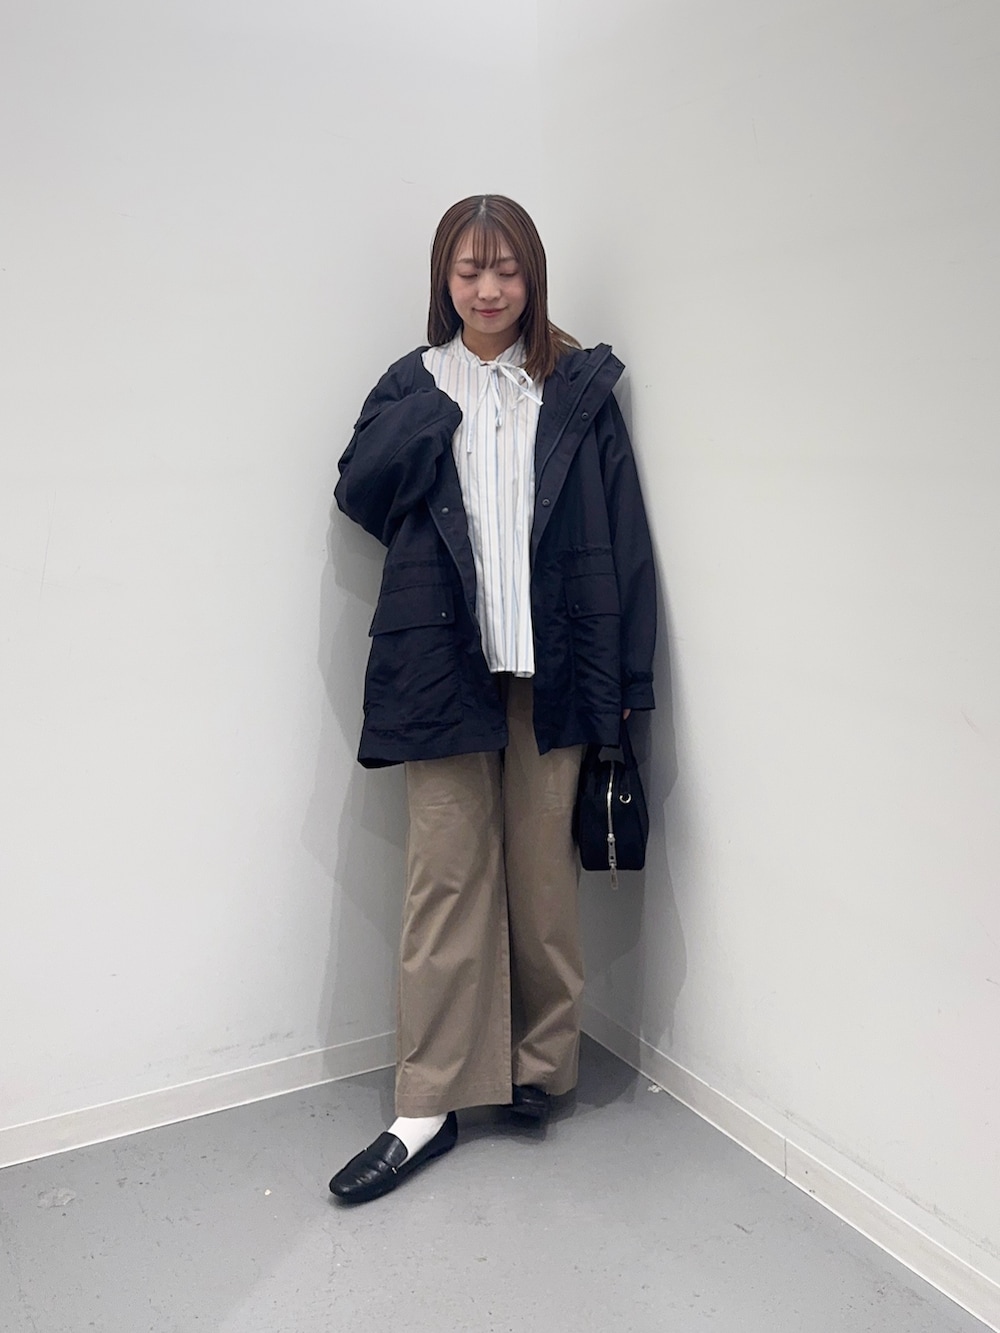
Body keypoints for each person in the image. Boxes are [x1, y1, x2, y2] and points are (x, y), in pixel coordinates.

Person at [328, 195, 656, 1204]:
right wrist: (435, 411)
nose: (487, 288)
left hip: (555, 668)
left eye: (506, 268)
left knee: (544, 888)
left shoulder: (578, 387)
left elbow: (625, 542)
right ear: (443, 277)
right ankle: (426, 1103)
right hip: (445, 667)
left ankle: (536, 1070)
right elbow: (358, 492)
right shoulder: (412, 383)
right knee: (444, 883)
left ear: (532, 275)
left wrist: (629, 685)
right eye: (468, 269)